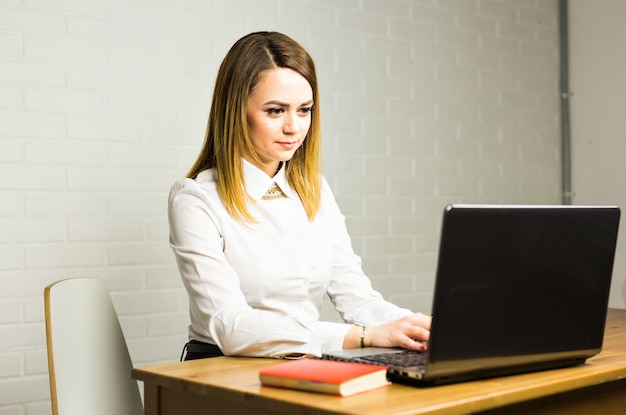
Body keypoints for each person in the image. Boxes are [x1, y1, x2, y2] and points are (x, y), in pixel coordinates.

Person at [168, 31, 431, 361]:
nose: (294, 127)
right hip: (222, 368)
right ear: (235, 110)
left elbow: (357, 299)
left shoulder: (315, 190)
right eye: (276, 111)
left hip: (302, 365)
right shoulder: (196, 199)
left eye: (304, 110)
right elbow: (229, 325)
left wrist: (416, 327)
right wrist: (362, 336)